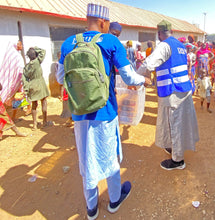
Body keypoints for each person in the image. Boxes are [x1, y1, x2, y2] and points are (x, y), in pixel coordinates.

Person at [56, 3, 151, 219]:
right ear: (103, 22)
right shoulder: (110, 41)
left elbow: (60, 78)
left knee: (86, 159)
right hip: (105, 113)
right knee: (110, 158)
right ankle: (115, 200)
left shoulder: (69, 43)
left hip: (80, 114)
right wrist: (143, 80)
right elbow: (128, 77)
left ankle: (91, 208)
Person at [137, 20, 199, 170]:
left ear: (159, 33)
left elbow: (148, 64)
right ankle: (173, 147)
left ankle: (178, 161)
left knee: (174, 124)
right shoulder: (180, 46)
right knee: (177, 122)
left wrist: (135, 78)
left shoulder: (164, 45)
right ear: (171, 31)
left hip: (172, 91)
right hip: (183, 89)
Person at [22, 47, 51, 130]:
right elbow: (43, 51)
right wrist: (35, 48)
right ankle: (45, 122)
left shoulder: (26, 67)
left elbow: (24, 79)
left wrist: (26, 88)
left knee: (34, 105)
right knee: (44, 101)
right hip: (40, 83)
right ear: (35, 55)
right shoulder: (37, 62)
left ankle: (34, 124)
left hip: (32, 85)